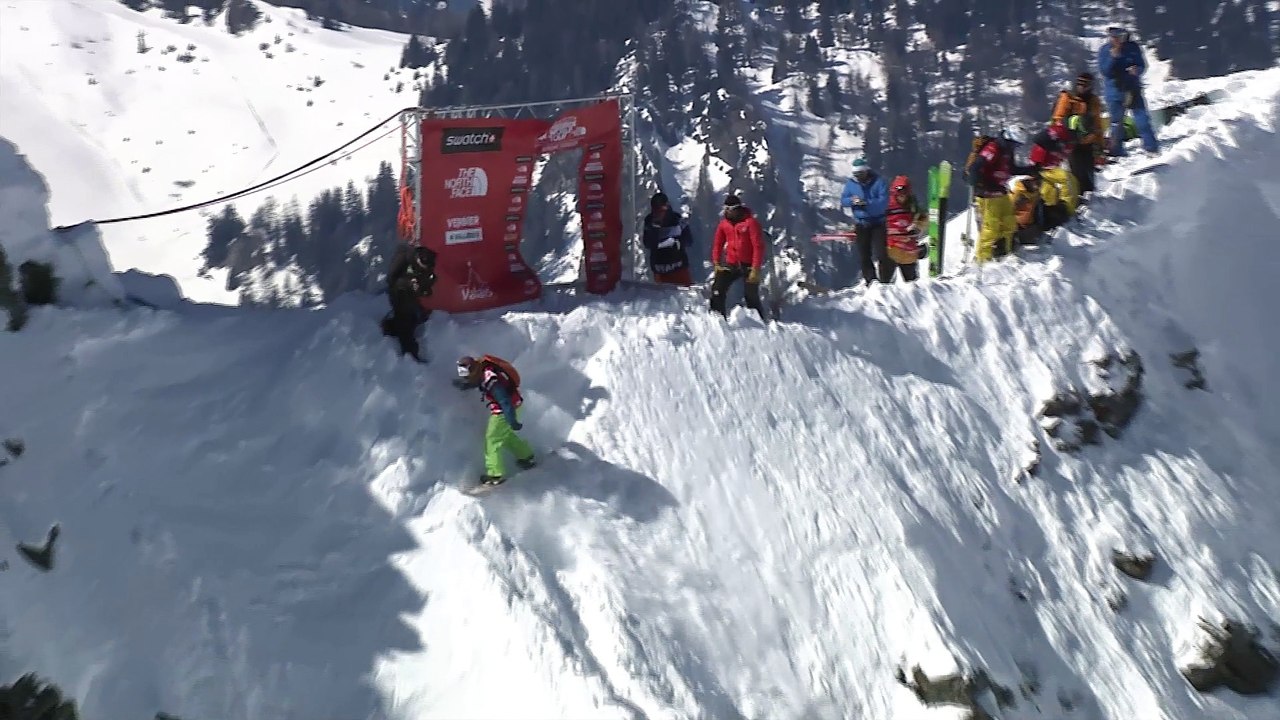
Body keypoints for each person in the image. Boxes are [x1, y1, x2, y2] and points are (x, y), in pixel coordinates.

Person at [452, 354, 536, 486]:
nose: (468, 379)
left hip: (505, 411)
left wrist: (512, 420)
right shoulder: (483, 370)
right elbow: (478, 381)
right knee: (504, 436)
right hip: (515, 406)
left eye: (468, 376)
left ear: (474, 370)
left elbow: (504, 400)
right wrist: (465, 385)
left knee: (492, 439)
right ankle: (526, 456)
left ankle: (495, 474)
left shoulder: (490, 379)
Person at [965, 126, 1036, 262]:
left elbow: (1010, 169)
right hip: (987, 193)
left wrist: (1029, 170)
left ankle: (1006, 253)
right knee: (991, 227)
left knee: (1009, 222)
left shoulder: (1006, 151)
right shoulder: (993, 148)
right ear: (1009, 139)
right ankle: (982, 259)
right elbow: (976, 167)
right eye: (1016, 144)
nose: (1017, 147)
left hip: (1000, 191)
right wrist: (978, 183)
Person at [1097, 26, 1158, 157]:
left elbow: (1142, 65)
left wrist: (1137, 70)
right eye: (1113, 37)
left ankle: (1151, 146)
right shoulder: (1105, 50)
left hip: (1133, 89)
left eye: (1119, 36)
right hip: (1114, 92)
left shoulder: (1133, 48)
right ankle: (1116, 150)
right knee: (1116, 122)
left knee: (1142, 119)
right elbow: (1105, 71)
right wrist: (1113, 57)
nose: (1117, 39)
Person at [709, 194, 765, 318]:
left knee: (751, 295)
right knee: (718, 288)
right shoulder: (724, 224)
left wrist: (755, 268)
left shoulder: (750, 223)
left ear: (737, 209)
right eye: (726, 209)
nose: (727, 212)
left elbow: (758, 246)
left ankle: (759, 322)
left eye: (730, 209)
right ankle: (717, 317)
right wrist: (717, 263)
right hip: (732, 263)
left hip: (749, 264)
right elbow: (718, 244)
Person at [1051, 71, 1106, 193]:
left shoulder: (1093, 101)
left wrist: (1100, 146)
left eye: (1085, 84)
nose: (1082, 86)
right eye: (1080, 83)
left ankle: (1090, 195)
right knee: (1076, 172)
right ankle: (1078, 196)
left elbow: (1098, 124)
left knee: (1088, 171)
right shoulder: (1068, 98)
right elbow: (1058, 118)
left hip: (1088, 141)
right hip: (1071, 141)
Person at [381, 243, 436, 362]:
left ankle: (391, 326)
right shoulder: (403, 258)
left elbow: (427, 282)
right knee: (404, 324)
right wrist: (409, 283)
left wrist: (425, 288)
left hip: (412, 295)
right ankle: (410, 355)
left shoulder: (428, 262)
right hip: (399, 294)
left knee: (412, 318)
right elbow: (391, 280)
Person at [839, 156, 890, 285]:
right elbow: (843, 200)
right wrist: (852, 201)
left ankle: (885, 281)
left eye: (860, 174)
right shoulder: (851, 184)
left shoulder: (879, 182)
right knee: (864, 255)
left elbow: (883, 203)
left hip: (878, 222)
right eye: (856, 174)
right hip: (861, 223)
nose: (858, 177)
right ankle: (871, 282)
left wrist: (866, 204)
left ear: (866, 171)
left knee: (882, 254)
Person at [641, 191, 694, 286]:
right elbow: (647, 243)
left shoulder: (677, 219)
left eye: (661, 210)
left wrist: (677, 242)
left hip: (678, 268)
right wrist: (655, 230)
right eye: (656, 210)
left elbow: (689, 240)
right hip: (659, 270)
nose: (659, 214)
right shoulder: (649, 221)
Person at [882, 175, 927, 283]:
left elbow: (923, 217)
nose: (902, 197)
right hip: (890, 249)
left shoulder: (912, 204)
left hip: (908, 249)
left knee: (912, 285)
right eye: (899, 194)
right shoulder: (886, 204)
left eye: (904, 194)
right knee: (885, 286)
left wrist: (916, 227)